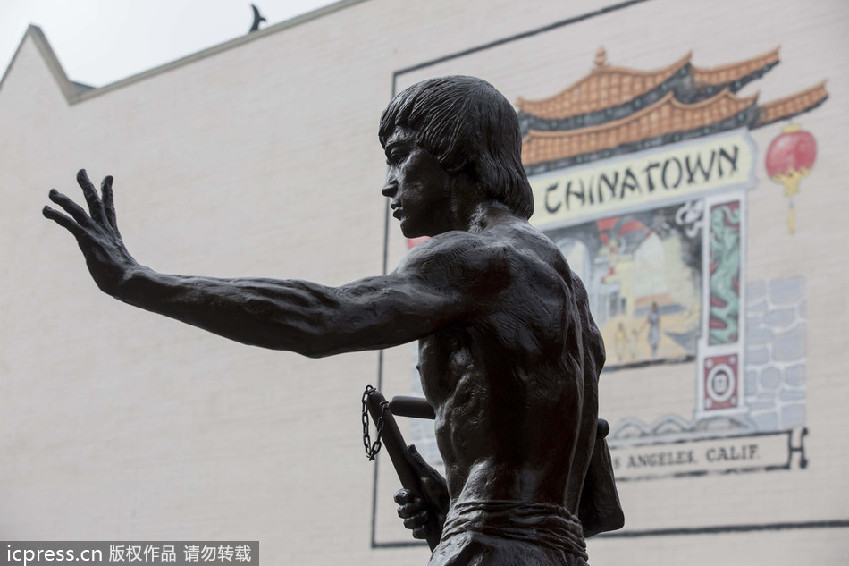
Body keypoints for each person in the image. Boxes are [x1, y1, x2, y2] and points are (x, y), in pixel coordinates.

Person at [43, 76, 609, 565]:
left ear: (455, 152)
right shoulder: (569, 291)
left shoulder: (477, 258)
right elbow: (585, 508)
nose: (387, 181)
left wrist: (137, 281)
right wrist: (454, 507)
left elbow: (323, 316)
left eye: (401, 153)